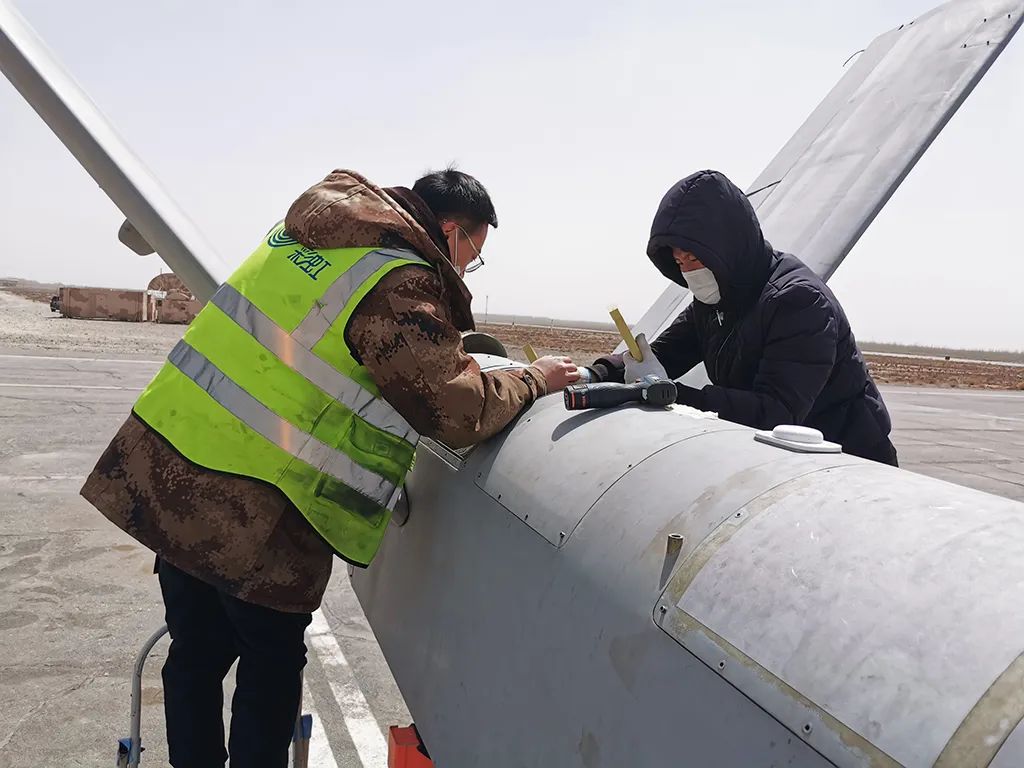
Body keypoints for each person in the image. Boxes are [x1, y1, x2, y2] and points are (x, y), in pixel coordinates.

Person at [80, 167, 579, 767]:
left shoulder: (304, 236)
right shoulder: (396, 277)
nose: (469, 268)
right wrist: (533, 379)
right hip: (261, 507)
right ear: (452, 231)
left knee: (195, 653)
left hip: (173, 471)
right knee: (269, 665)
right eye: (474, 254)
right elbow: (455, 408)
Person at [589, 169, 897, 466]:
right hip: (789, 463)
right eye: (679, 262)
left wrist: (670, 394)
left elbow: (776, 412)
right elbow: (663, 355)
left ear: (725, 247)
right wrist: (594, 375)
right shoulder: (716, 299)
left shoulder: (798, 302)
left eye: (693, 258)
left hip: (850, 466)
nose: (689, 271)